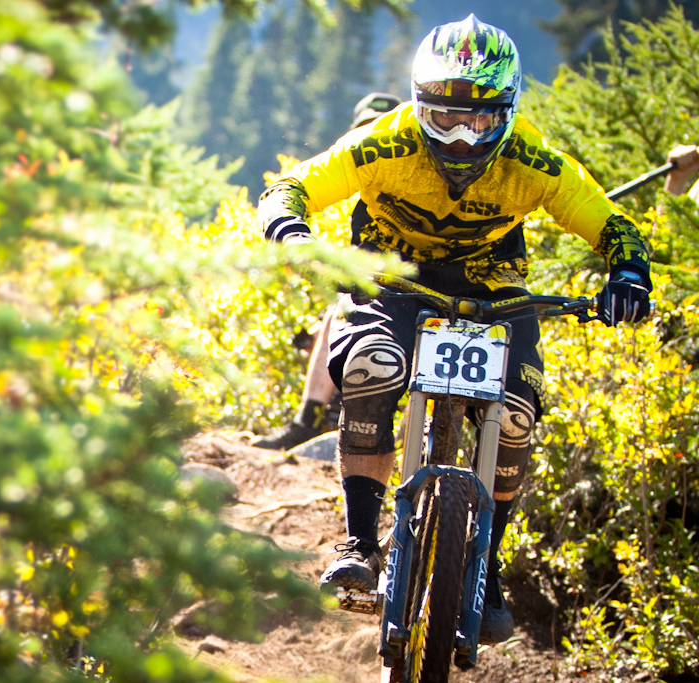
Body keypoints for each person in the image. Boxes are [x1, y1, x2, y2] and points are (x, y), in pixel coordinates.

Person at [256, 14, 652, 645]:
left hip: (493, 285)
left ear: (509, 112)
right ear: (418, 105)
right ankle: (359, 542)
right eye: (445, 119)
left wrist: (628, 275)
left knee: (516, 416)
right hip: (396, 275)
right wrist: (291, 230)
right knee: (370, 370)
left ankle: (484, 565)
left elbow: (612, 224)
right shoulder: (383, 143)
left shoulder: (532, 158)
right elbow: (294, 185)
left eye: (483, 121)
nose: (465, 140)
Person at [253, 92, 403, 451]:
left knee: (341, 309)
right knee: (336, 312)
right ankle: (318, 417)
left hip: (422, 288)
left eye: (380, 128)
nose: (374, 136)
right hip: (382, 288)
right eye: (367, 130)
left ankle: (311, 419)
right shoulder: (357, 171)